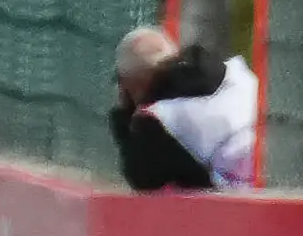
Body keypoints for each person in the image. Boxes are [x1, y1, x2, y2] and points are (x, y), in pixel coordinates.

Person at [110, 25, 257, 191]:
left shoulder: (158, 119)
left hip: (241, 201)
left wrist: (125, 123)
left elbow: (142, 179)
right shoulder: (238, 72)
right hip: (274, 176)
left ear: (135, 83)